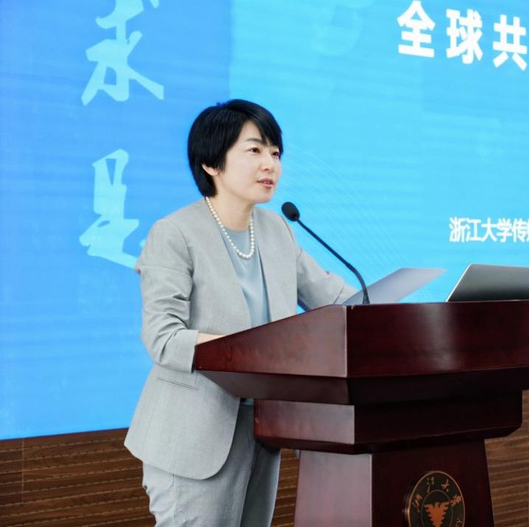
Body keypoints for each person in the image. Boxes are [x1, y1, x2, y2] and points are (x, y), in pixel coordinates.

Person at [125, 99, 356, 525]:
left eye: (275, 153)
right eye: (255, 150)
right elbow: (163, 337)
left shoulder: (276, 228)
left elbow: (337, 300)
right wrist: (254, 352)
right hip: (193, 436)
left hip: (264, 426)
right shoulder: (175, 233)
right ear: (211, 162)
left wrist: (395, 310)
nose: (270, 164)